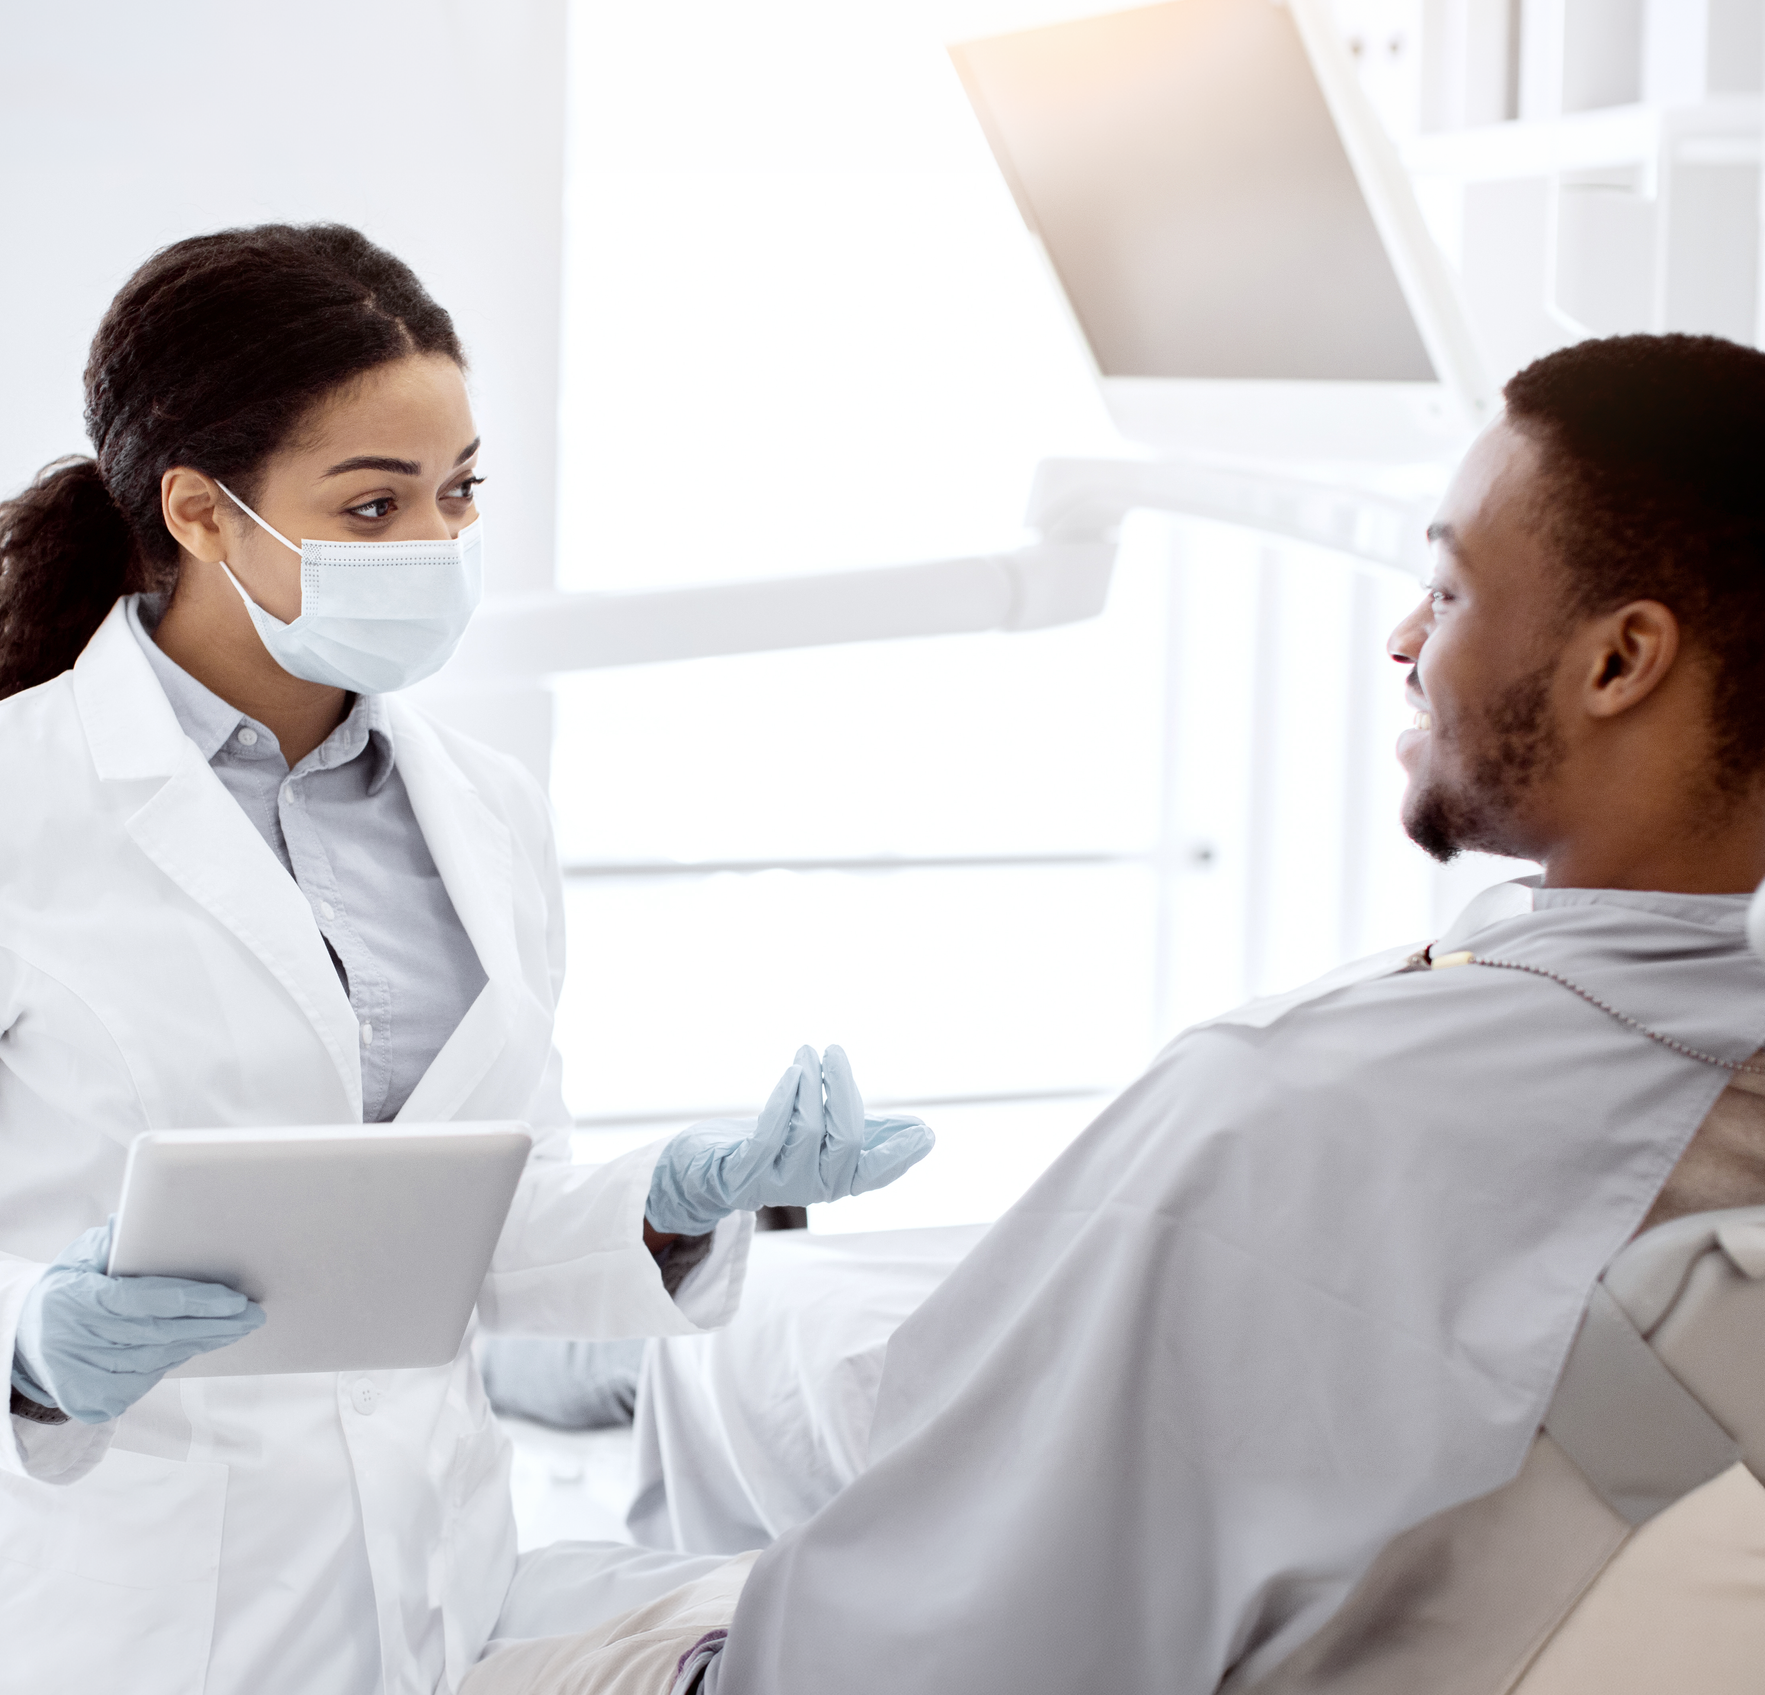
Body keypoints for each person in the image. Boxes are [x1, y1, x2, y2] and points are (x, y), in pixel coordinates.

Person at [460, 333, 1765, 1695]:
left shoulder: (1292, 1102)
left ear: (1620, 660)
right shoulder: (1674, 1055)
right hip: (1014, 1495)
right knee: (737, 1332)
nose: (1402, 640)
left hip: (857, 1622)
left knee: (464, 1580)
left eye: (1445, 591)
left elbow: (957, 1634)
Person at [0, 223, 932, 1695]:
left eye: (459, 491)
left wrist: (675, 1203)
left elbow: (482, 1219)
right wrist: (24, 1336)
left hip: (428, 1590)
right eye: (372, 506)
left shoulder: (486, 811)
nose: (434, 544)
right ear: (201, 511)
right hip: (107, 1617)